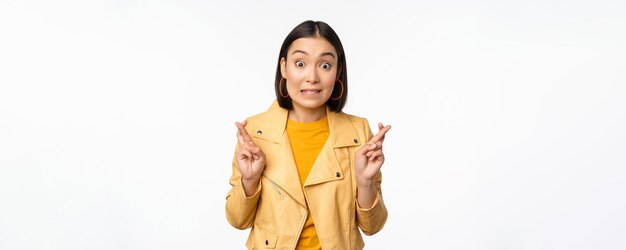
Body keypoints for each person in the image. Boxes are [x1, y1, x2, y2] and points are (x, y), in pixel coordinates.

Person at [225, 20, 391, 250]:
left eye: (325, 65)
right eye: (300, 63)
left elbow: (373, 226)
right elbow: (237, 220)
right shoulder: (254, 132)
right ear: (284, 67)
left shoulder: (358, 132)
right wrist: (249, 181)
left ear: (338, 70)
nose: (312, 77)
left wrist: (365, 182)